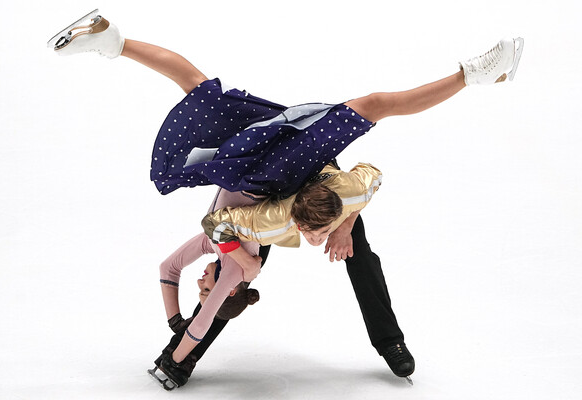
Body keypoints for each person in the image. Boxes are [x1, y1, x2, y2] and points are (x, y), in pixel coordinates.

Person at [47, 9, 524, 386]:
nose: (201, 284)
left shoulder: (226, 250)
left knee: (202, 91)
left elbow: (172, 269)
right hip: (284, 176)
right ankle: (473, 75)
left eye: (203, 288)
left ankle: (113, 41)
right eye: (208, 288)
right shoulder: (244, 252)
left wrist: (178, 323)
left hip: (272, 171)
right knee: (371, 109)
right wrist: (235, 272)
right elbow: (359, 185)